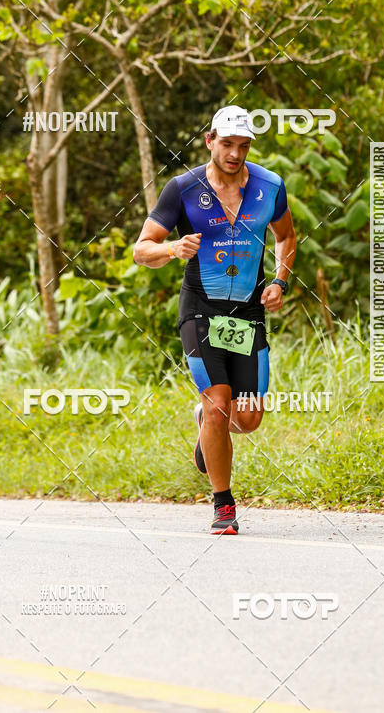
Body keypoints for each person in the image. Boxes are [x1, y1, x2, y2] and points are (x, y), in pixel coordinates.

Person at [133, 105, 297, 534]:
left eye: (243, 146)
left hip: (247, 312)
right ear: (210, 140)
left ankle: (207, 426)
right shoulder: (182, 189)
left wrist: (280, 281)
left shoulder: (270, 186)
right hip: (201, 309)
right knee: (219, 403)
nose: (235, 153)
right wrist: (172, 249)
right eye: (227, 144)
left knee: (247, 417)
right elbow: (142, 249)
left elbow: (285, 237)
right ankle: (223, 505)